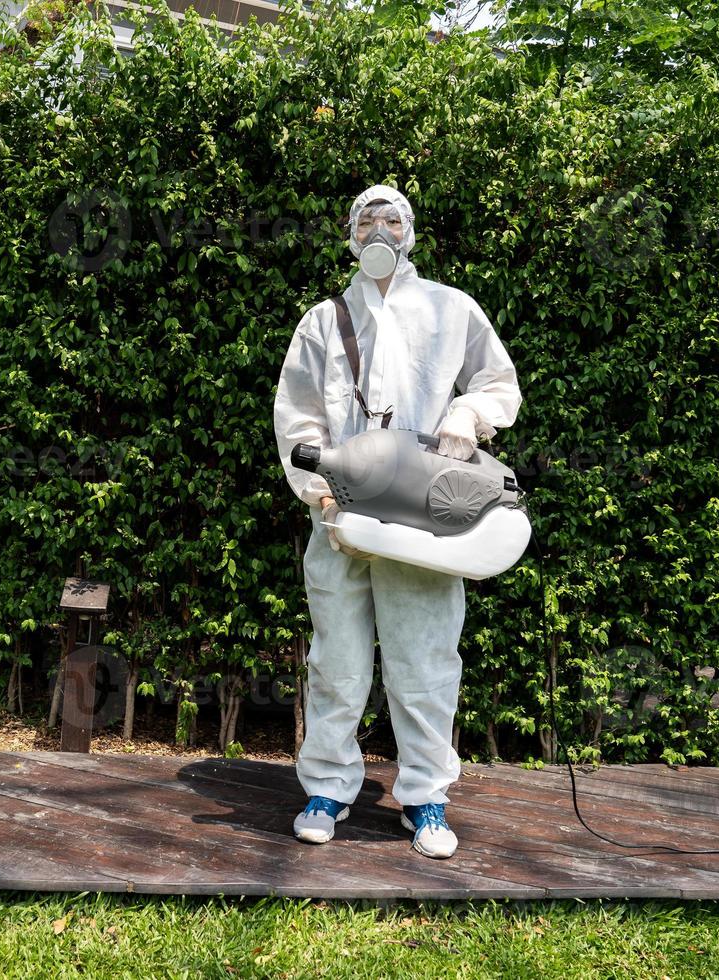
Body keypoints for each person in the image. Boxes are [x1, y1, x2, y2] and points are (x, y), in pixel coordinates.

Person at [273, 184, 522, 858]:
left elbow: (498, 384)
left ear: (411, 232)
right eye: (367, 221)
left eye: (393, 220)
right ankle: (326, 786)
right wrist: (318, 494)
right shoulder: (323, 322)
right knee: (338, 666)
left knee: (426, 664)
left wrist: (466, 419)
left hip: (421, 517)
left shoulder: (451, 309)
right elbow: (298, 417)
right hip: (340, 522)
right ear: (350, 236)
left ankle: (426, 798)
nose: (379, 230)